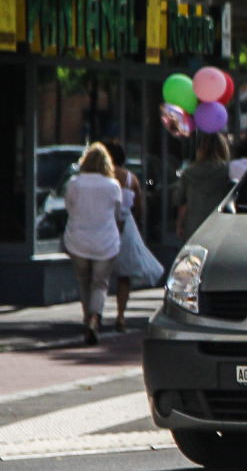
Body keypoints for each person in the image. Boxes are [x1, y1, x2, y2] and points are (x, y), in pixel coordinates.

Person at [63, 143, 122, 344]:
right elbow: (117, 214)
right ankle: (95, 317)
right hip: (105, 241)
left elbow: (69, 208)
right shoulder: (113, 185)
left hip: (78, 240)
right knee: (100, 283)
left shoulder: (74, 183)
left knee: (84, 282)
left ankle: (87, 317)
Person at [103, 140, 163, 331]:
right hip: (126, 228)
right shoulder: (131, 179)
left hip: (103, 226)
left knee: (99, 273)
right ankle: (120, 315)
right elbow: (140, 208)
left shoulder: (101, 176)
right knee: (124, 275)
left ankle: (94, 313)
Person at [176, 133, 234, 240]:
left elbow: (182, 202)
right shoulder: (229, 171)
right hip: (220, 224)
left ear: (201, 149)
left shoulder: (189, 172)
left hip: (194, 225)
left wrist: (179, 224)